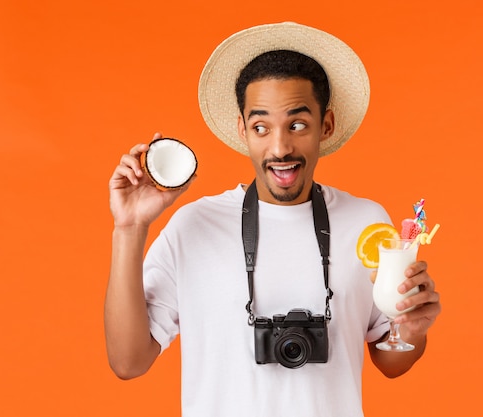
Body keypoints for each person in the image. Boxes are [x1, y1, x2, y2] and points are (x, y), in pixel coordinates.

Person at [105, 22, 441, 416]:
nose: (280, 147)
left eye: (297, 124)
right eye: (261, 127)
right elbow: (128, 362)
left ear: (325, 126)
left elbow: (391, 362)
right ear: (243, 130)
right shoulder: (193, 226)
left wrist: (414, 332)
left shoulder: (367, 224)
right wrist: (129, 229)